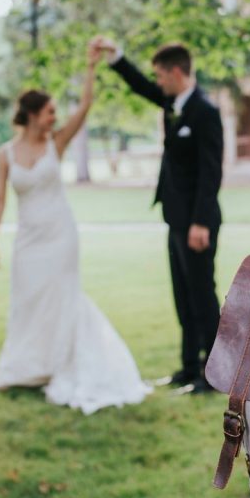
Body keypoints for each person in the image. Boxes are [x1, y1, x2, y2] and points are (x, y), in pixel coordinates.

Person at [0, 42, 151, 413]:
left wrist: (91, 67)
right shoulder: (5, 154)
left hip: (60, 234)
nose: (53, 118)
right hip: (28, 238)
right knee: (28, 299)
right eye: (48, 112)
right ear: (31, 114)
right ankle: (26, 367)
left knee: (62, 297)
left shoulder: (56, 144)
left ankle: (59, 363)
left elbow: (85, 107)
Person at [92, 36, 223, 394]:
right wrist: (116, 58)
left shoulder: (205, 112)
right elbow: (141, 87)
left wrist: (199, 222)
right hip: (175, 217)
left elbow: (211, 173)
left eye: (161, 75)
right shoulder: (172, 103)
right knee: (182, 295)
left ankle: (212, 374)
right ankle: (187, 368)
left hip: (198, 222)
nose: (158, 82)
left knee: (202, 296)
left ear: (177, 72)